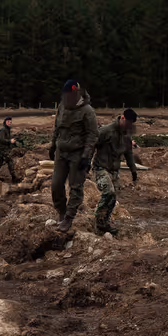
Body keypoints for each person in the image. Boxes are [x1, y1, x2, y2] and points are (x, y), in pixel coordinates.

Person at [50, 79, 99, 233]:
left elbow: (93, 135)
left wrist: (86, 156)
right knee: (56, 185)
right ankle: (62, 212)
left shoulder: (87, 111)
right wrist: (52, 144)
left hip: (78, 154)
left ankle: (69, 218)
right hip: (61, 152)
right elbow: (57, 127)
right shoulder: (62, 106)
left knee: (75, 187)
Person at [91, 108, 140, 236]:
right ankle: (98, 218)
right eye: (128, 123)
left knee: (113, 198)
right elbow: (92, 145)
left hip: (114, 170)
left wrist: (133, 171)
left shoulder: (126, 135)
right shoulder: (106, 131)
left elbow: (128, 154)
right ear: (122, 118)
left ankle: (105, 221)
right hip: (100, 167)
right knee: (109, 192)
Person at [0, 116, 18, 183]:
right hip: (1, 150)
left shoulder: (7, 130)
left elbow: (6, 139)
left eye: (10, 122)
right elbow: (2, 139)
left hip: (2, 149)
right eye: (8, 122)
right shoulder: (3, 130)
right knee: (10, 161)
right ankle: (14, 178)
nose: (9, 123)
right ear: (5, 122)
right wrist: (10, 141)